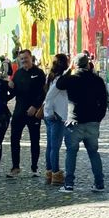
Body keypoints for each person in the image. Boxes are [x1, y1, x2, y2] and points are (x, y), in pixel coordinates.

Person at [56, 53, 108, 192]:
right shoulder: (97, 80)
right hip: (92, 122)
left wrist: (68, 69)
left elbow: (59, 84)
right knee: (93, 153)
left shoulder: (72, 79)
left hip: (75, 122)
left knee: (71, 153)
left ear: (75, 65)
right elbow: (104, 101)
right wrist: (99, 118)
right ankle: (99, 183)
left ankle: (69, 184)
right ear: (87, 64)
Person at [6, 49, 46, 178]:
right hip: (19, 111)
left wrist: (35, 106)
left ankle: (34, 167)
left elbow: (43, 93)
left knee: (35, 140)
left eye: (26, 58)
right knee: (14, 139)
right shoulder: (18, 73)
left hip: (33, 113)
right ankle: (15, 167)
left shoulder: (39, 73)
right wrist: (9, 87)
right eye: (21, 59)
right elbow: (13, 93)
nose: (24, 61)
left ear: (31, 58)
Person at [42, 54, 69, 186]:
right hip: (56, 115)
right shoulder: (59, 80)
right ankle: (56, 174)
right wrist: (50, 111)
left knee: (50, 146)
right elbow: (49, 96)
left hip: (50, 115)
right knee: (55, 147)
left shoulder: (51, 77)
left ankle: (49, 172)